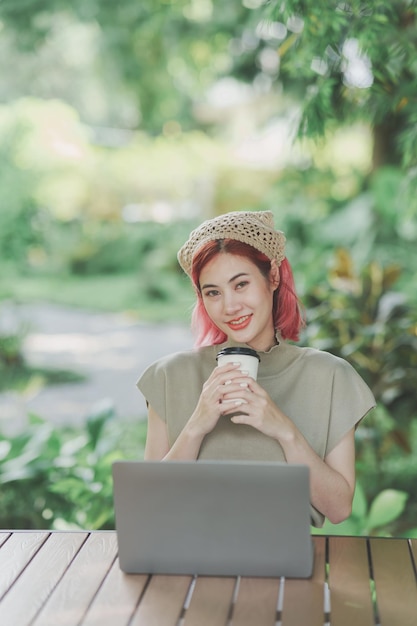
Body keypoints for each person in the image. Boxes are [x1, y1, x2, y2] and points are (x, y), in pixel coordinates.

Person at [137, 210, 375, 526]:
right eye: (213, 292)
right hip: (185, 563)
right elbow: (149, 504)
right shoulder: (170, 376)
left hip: (284, 567)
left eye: (241, 284)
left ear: (273, 277)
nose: (230, 306)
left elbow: (339, 508)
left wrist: (285, 430)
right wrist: (196, 424)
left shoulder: (329, 376)